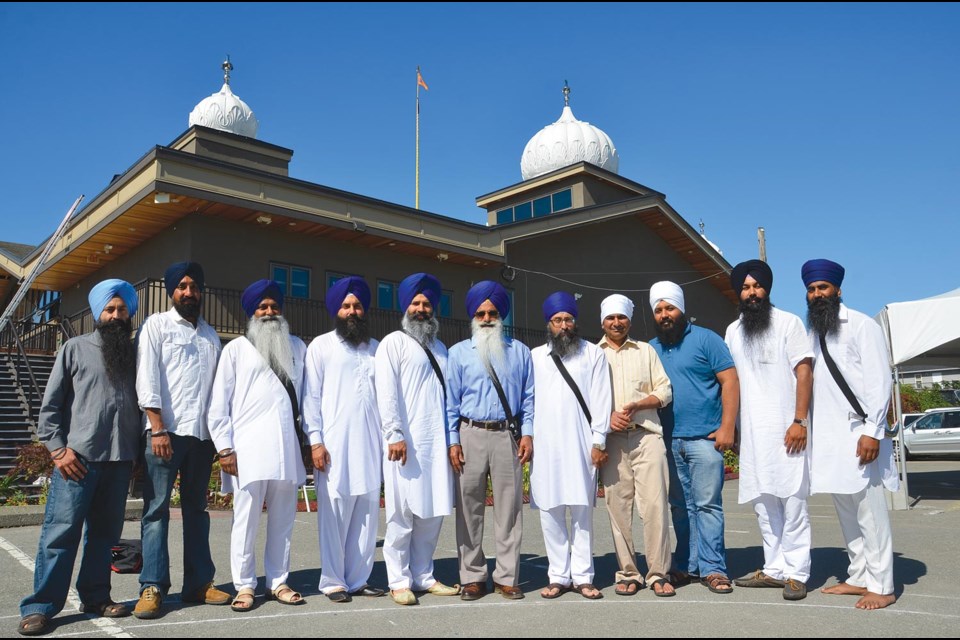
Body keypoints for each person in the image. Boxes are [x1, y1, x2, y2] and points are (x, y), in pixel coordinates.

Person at [18, 280, 140, 636]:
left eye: (122, 310)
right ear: (98, 313)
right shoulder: (74, 348)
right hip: (77, 460)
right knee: (60, 535)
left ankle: (96, 597)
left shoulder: (134, 354)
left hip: (119, 462)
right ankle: (41, 606)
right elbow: (51, 406)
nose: (116, 316)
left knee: (104, 536)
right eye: (110, 309)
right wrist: (58, 449)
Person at [802, 259, 898, 610]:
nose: (816, 294)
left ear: (837, 290)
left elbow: (879, 381)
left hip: (860, 433)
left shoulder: (860, 325)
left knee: (870, 512)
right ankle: (859, 576)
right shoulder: (814, 333)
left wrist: (873, 432)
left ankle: (883, 584)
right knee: (846, 509)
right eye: (811, 289)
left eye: (822, 288)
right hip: (828, 437)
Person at [134, 262, 228, 619]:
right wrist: (156, 426)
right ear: (172, 291)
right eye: (182, 286)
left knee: (196, 511)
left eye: (195, 286)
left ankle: (199, 584)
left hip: (201, 438)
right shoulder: (157, 326)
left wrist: (219, 438)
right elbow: (147, 377)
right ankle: (152, 586)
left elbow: (217, 390)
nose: (189, 292)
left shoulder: (210, 335)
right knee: (156, 511)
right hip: (166, 434)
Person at [208, 279, 308, 612]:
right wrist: (225, 447)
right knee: (245, 521)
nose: (268, 312)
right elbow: (218, 404)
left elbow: (306, 399)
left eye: (273, 307)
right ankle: (245, 585)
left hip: (287, 449)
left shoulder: (297, 347)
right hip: (247, 450)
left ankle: (278, 581)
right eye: (262, 308)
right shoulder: (236, 349)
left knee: (283, 522)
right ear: (252, 313)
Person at [724, 261, 813, 601]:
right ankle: (774, 568)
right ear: (739, 293)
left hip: (788, 428)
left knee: (792, 501)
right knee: (763, 502)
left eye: (757, 286)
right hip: (753, 434)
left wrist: (799, 420)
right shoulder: (732, 331)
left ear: (767, 289)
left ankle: (797, 572)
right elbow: (729, 383)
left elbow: (804, 373)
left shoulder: (788, 323)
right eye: (746, 287)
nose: (752, 292)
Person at [648, 281, 739, 595]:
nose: (664, 315)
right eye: (658, 310)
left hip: (704, 439)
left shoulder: (707, 340)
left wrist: (728, 426)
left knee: (708, 506)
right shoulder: (651, 348)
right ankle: (687, 565)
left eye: (669, 308)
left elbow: (730, 381)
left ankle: (714, 569)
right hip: (667, 441)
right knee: (680, 507)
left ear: (681, 308)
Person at [446, 281, 534, 601]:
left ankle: (507, 576)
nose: (486, 318)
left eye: (492, 312)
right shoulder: (458, 354)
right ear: (473, 315)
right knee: (469, 507)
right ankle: (472, 576)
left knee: (509, 508)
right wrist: (452, 440)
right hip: (469, 433)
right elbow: (449, 404)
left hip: (506, 435)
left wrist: (528, 433)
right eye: (481, 313)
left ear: (501, 315)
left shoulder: (520, 352)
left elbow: (529, 399)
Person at [375, 272, 459, 606]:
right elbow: (387, 393)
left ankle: (423, 575)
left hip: (436, 444)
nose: (421, 309)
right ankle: (398, 580)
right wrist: (395, 434)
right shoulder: (392, 343)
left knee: (431, 512)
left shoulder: (440, 348)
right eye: (415, 303)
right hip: (404, 445)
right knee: (402, 513)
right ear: (405, 307)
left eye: (426, 304)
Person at [302, 276, 385, 603]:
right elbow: (310, 398)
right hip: (333, 446)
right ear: (336, 310)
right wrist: (315, 440)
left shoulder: (377, 349)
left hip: (370, 446)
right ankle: (333, 580)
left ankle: (358, 579)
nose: (353, 311)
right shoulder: (320, 346)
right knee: (334, 515)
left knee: (366, 514)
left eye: (358, 306)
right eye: (346, 306)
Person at [530, 292, 611, 600]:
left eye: (568, 319)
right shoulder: (535, 356)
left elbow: (602, 399)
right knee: (550, 510)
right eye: (557, 320)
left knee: (581, 511)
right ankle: (558, 575)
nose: (563, 325)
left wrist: (599, 440)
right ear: (548, 324)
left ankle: (583, 576)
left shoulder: (592, 354)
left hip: (581, 443)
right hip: (546, 445)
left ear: (575, 322)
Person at [597, 294, 675, 598]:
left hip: (647, 434)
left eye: (622, 317)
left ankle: (657, 573)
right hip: (612, 439)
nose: (616, 323)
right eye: (611, 318)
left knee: (655, 506)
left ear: (630, 319)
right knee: (618, 507)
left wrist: (639, 404)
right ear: (602, 321)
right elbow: (586, 399)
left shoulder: (646, 351)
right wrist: (607, 419)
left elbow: (664, 391)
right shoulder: (592, 354)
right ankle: (628, 572)